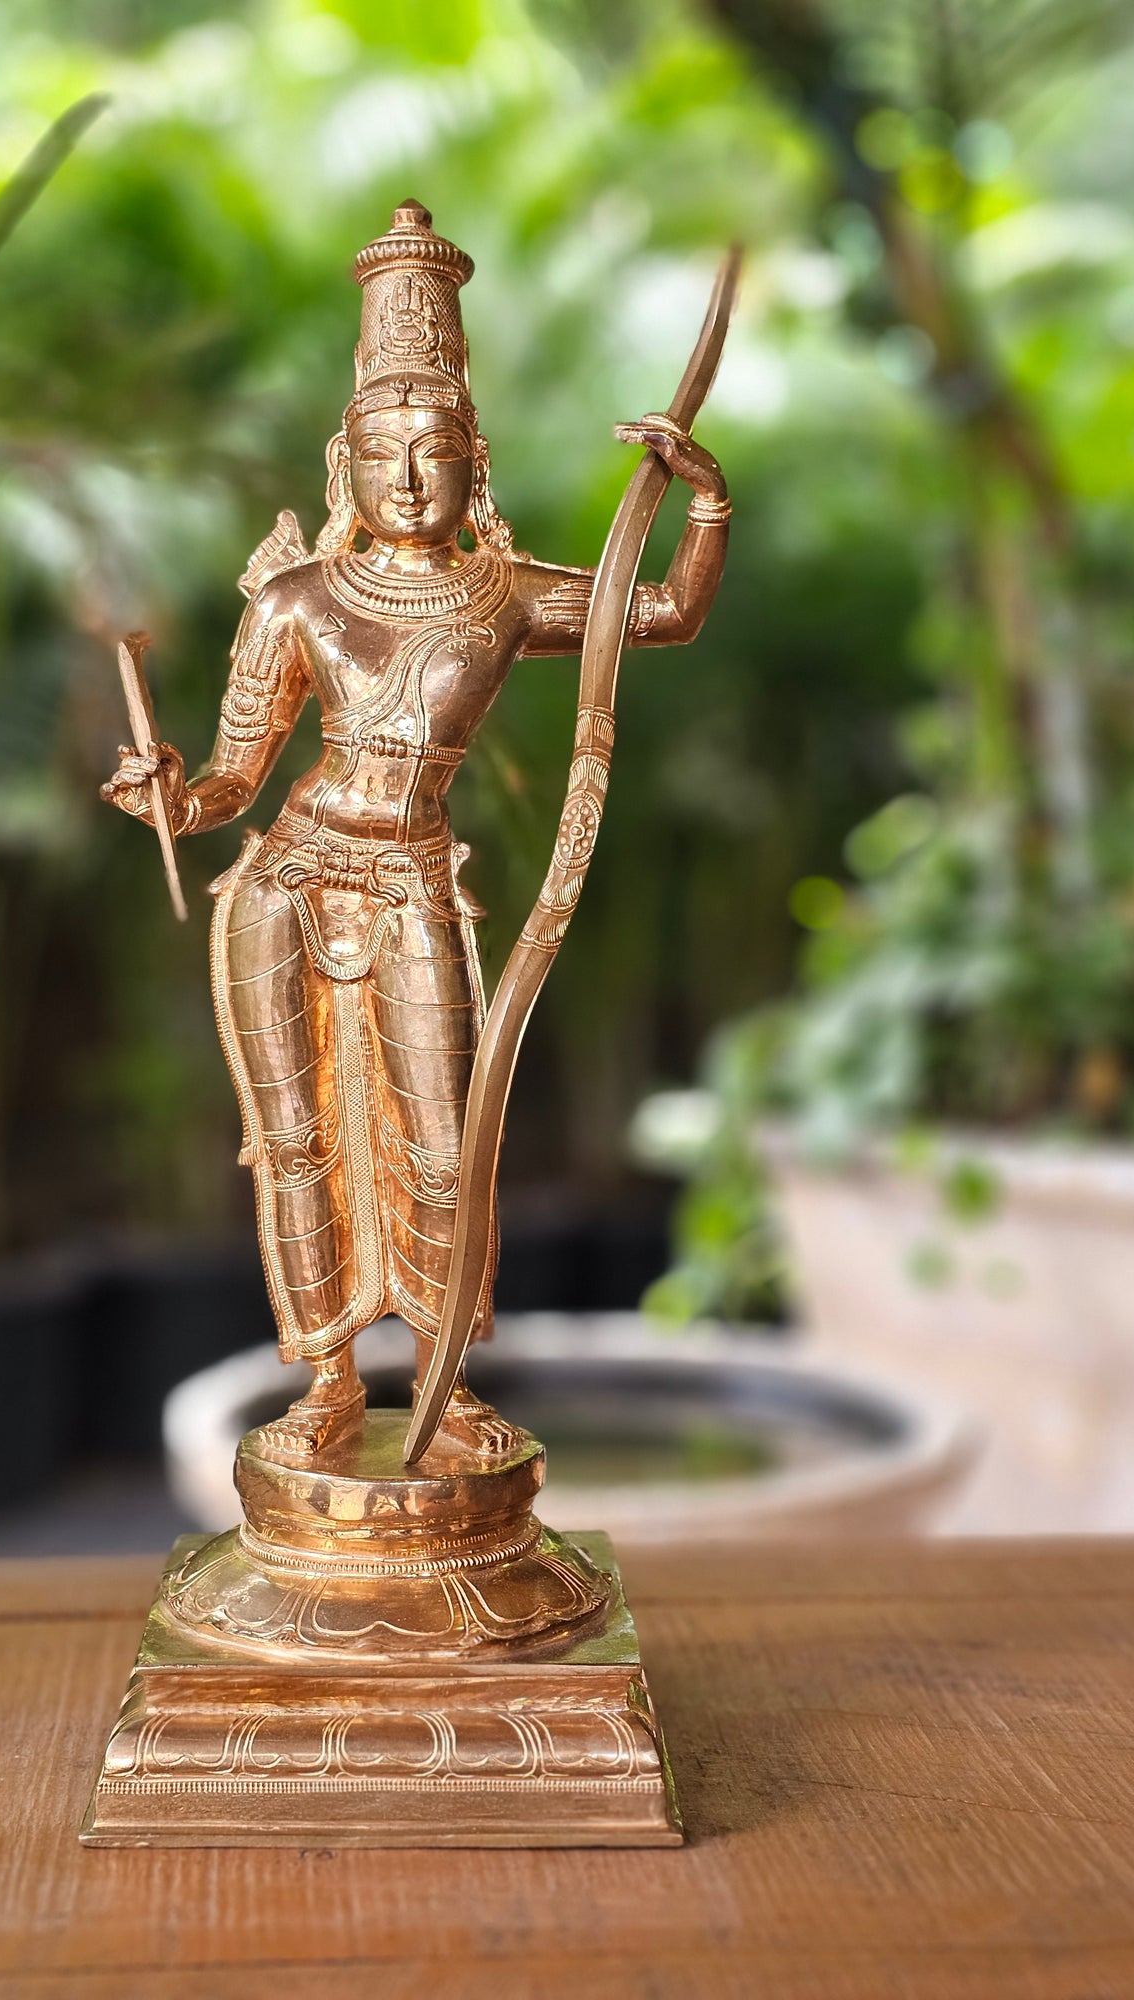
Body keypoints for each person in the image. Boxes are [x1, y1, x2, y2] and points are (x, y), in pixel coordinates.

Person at [103, 201, 730, 1463]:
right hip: (288, 879)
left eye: (433, 450)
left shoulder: (507, 594)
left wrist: (704, 503)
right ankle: (328, 1378)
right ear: (345, 463)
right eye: (383, 450)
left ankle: (446, 1375)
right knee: (295, 1140)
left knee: (449, 1140)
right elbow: (231, 778)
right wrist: (169, 794)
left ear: (472, 463)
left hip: (412, 882)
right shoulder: (297, 598)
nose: (406, 476)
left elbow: (660, 611)